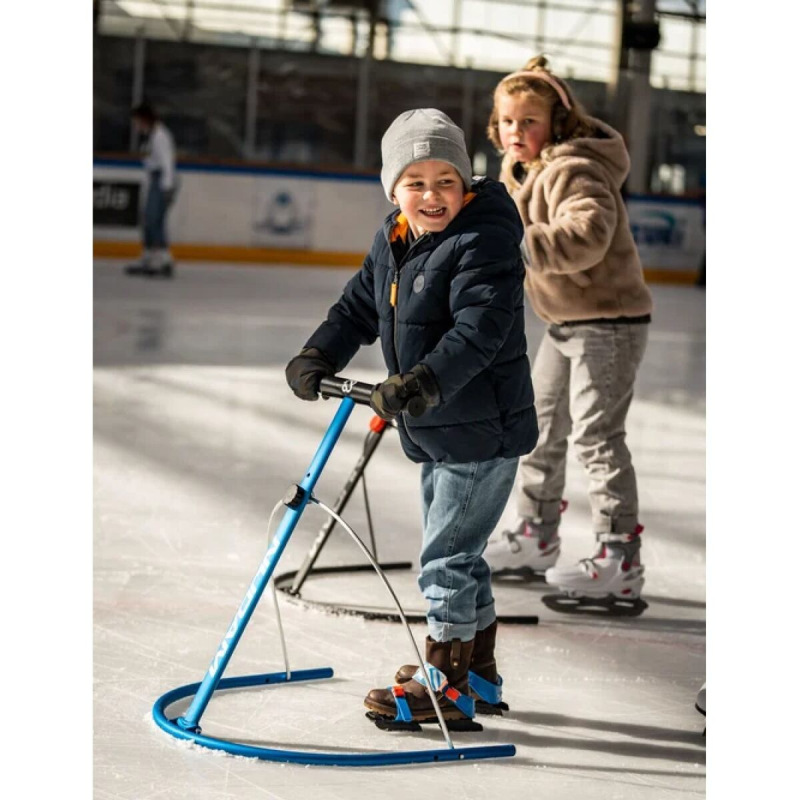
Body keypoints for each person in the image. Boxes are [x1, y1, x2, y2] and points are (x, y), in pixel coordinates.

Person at [285, 108, 538, 727]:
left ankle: (445, 688)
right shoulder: (394, 238)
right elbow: (357, 308)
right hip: (440, 426)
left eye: (445, 180)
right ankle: (474, 672)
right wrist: (320, 353)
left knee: (444, 562)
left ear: (467, 183)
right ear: (393, 187)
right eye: (415, 181)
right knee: (462, 554)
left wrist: (422, 381)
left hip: (481, 427)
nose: (431, 195)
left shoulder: (484, 239)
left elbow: (481, 330)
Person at [482, 56, 654, 614]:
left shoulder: (573, 168)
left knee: (596, 437)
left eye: (528, 121)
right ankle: (535, 535)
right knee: (541, 427)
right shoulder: (525, 172)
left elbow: (589, 232)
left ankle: (619, 557)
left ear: (556, 121)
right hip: (565, 323)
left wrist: (522, 246)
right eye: (507, 121)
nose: (515, 132)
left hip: (608, 322)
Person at [126, 102, 177, 278]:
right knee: (149, 219)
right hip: (156, 179)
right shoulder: (152, 135)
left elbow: (167, 162)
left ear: (144, 119)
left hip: (163, 180)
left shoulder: (160, 136)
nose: (135, 125)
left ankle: (163, 259)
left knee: (154, 219)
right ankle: (149, 257)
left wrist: (167, 187)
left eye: (137, 121)